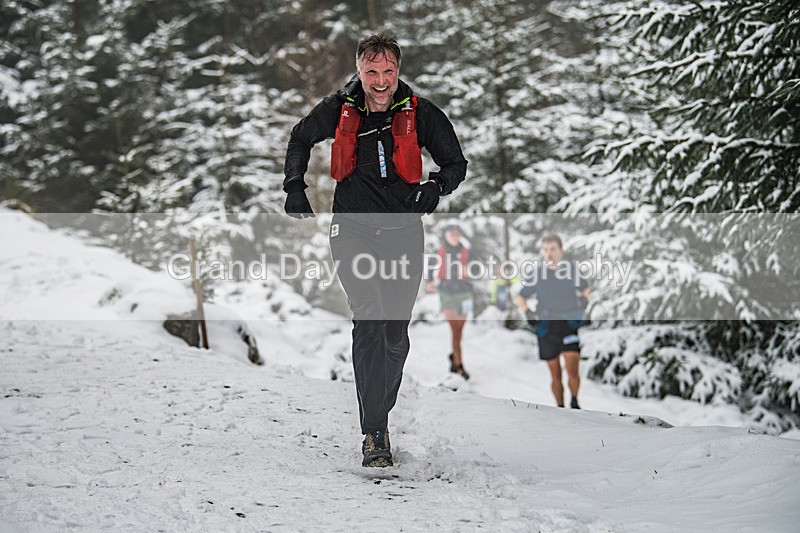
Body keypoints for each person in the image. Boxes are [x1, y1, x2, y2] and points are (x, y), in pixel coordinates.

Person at [283, 33, 467, 467]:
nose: (380, 81)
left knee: (394, 335)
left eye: (387, 72)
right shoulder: (339, 108)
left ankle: (379, 407)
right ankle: (375, 433)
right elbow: (299, 137)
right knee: (369, 318)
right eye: (371, 71)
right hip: (352, 231)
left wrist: (436, 186)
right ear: (359, 70)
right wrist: (294, 185)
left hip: (403, 232)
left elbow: (455, 163)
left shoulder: (421, 114)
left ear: (398, 70)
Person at [516, 234, 589, 409]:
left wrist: (584, 303)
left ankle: (574, 401)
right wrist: (528, 313)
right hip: (546, 327)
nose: (549, 253)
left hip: (568, 325)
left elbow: (585, 288)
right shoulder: (538, 273)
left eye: (553, 249)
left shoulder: (571, 270)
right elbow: (521, 296)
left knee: (572, 371)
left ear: (561, 251)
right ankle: (560, 407)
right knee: (555, 375)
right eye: (546, 249)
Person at [426, 223, 474, 380]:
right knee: (454, 330)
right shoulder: (440, 252)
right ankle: (460, 366)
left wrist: (471, 272)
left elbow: (478, 269)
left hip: (464, 293)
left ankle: (454, 357)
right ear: (446, 236)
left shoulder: (467, 252)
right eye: (451, 233)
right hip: (446, 293)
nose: (454, 235)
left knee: (460, 332)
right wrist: (429, 282)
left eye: (457, 233)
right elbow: (430, 267)